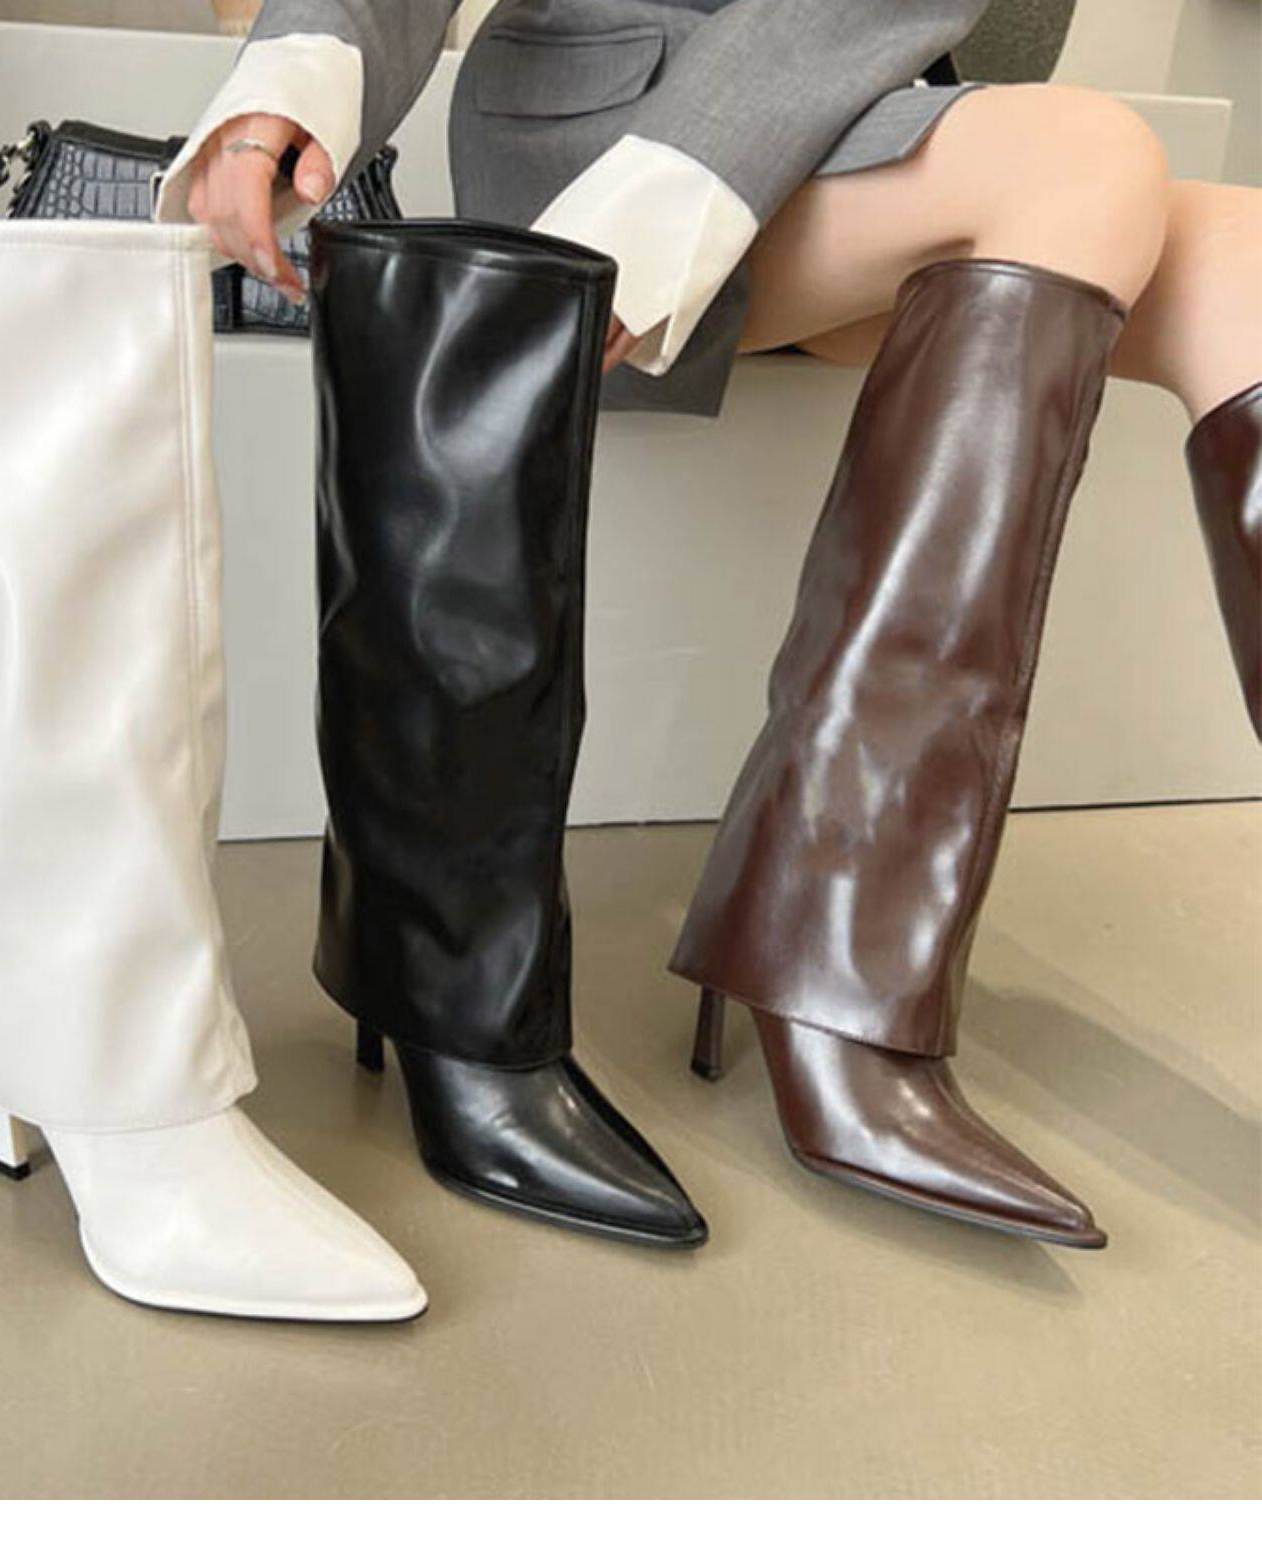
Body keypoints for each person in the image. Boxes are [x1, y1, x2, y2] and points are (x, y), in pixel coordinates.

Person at [156, 0, 1261, 1248]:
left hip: (879, 123)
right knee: (1086, 153)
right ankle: (822, 956)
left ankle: (818, 945)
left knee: (1245, 260)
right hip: (623, 133)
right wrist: (296, 75)